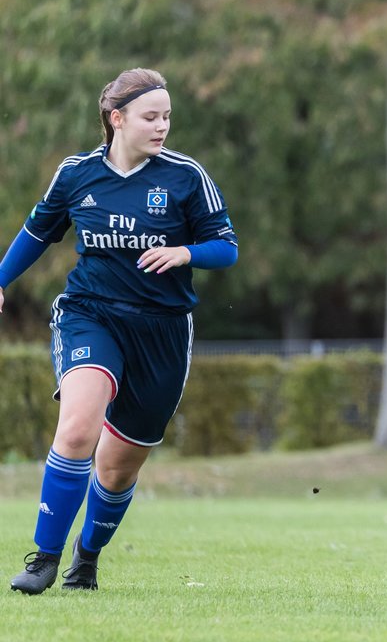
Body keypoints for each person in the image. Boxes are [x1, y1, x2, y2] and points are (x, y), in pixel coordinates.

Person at [2, 67, 238, 594]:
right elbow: (38, 232)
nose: (162, 127)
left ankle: (86, 558)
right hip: (92, 312)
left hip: (162, 332)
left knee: (117, 468)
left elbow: (227, 247)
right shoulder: (77, 174)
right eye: (151, 117)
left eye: (167, 117)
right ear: (117, 119)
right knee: (79, 427)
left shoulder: (185, 177)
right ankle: (43, 558)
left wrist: (186, 251)